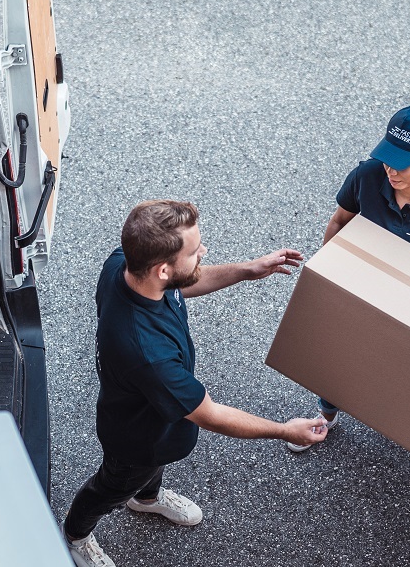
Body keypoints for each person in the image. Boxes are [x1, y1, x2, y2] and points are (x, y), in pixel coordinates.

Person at [62, 200, 328, 567]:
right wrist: (285, 431)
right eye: (195, 250)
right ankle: (75, 535)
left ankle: (146, 499)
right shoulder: (149, 355)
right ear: (162, 269)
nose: (203, 251)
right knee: (110, 487)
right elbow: (211, 414)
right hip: (136, 439)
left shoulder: (123, 266)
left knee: (153, 467)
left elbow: (181, 283)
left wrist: (247, 270)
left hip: (158, 422)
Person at [287, 104, 410, 452]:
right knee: (340, 353)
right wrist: (329, 275)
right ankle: (326, 414)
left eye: (404, 161)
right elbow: (339, 221)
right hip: (365, 285)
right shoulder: (367, 176)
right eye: (387, 156)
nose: (391, 169)